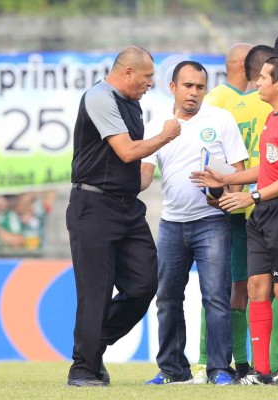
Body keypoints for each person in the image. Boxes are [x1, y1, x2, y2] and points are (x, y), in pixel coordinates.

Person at [66, 46, 181, 387]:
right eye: (147, 77)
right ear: (128, 73)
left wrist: (158, 172)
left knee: (144, 284)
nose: (150, 84)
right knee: (95, 292)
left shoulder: (132, 103)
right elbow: (127, 150)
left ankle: (93, 344)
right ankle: (83, 369)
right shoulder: (101, 97)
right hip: (94, 206)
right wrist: (165, 137)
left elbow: (131, 165)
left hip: (127, 207)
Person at [192, 54, 278, 386]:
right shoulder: (273, 117)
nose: (257, 82)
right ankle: (261, 371)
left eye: (264, 78)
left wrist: (252, 195)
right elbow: (269, 169)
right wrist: (225, 178)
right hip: (262, 213)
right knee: (257, 288)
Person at [142, 61, 248, 386]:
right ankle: (173, 370)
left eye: (200, 87)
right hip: (172, 223)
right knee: (168, 298)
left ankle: (219, 369)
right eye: (187, 86)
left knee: (216, 296)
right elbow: (144, 176)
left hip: (211, 222)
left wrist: (225, 194)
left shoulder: (220, 119)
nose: (194, 93)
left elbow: (239, 172)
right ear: (172, 87)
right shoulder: (157, 124)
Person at [201, 42, 255, 383]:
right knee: (222, 287)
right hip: (230, 209)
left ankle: (247, 362)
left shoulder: (260, 99)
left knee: (251, 286)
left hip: (257, 203)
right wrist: (223, 193)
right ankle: (208, 359)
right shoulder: (217, 101)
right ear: (245, 64)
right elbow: (206, 155)